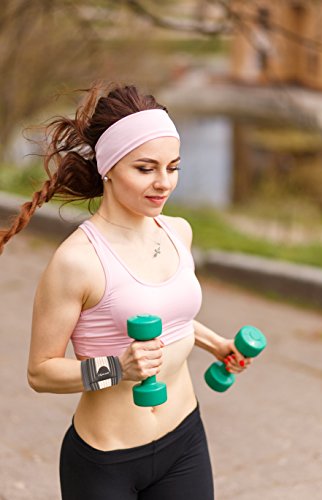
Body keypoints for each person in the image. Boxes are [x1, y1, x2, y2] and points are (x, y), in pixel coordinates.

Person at [0, 83, 252, 499]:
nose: (163, 183)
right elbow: (40, 371)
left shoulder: (177, 232)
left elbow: (173, 317)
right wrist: (117, 367)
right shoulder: (77, 261)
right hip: (107, 461)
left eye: (173, 167)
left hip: (185, 439)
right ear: (109, 167)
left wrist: (216, 343)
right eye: (145, 168)